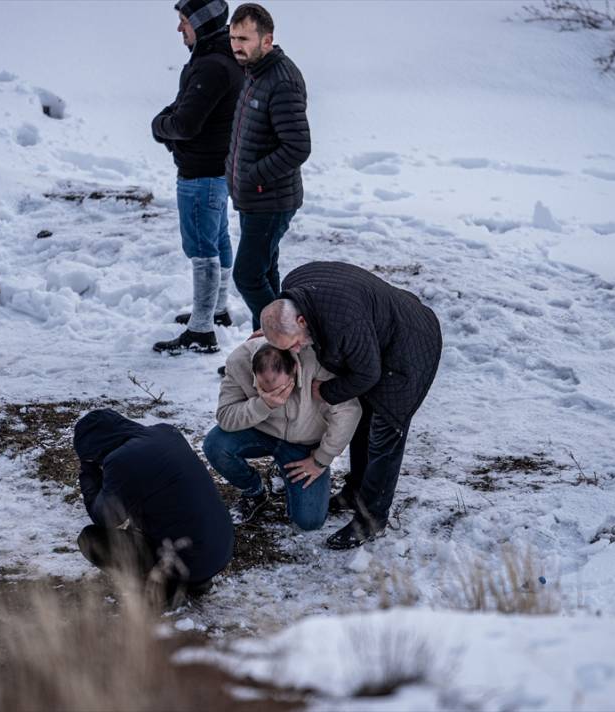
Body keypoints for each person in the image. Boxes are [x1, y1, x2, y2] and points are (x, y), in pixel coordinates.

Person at [260, 262, 443, 549]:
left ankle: (372, 519)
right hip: (377, 334)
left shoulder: (344, 324)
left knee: (384, 431)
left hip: (410, 346)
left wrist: (328, 391)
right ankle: (355, 489)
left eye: (294, 344)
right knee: (362, 420)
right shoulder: (293, 292)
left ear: (301, 322)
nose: (295, 351)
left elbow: (367, 375)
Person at [152, 0, 244, 354]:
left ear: (201, 24)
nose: (180, 29)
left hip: (201, 173)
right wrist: (171, 118)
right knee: (218, 240)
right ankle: (217, 311)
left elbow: (185, 123)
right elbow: (187, 109)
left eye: (184, 21)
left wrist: (159, 126)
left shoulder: (211, 67)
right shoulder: (223, 60)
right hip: (217, 171)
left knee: (202, 249)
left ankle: (202, 330)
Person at [73, 409, 233, 603]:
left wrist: (89, 470)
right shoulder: (166, 432)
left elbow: (105, 518)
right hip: (220, 549)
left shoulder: (120, 461)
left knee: (91, 540)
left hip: (189, 561)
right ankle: (196, 581)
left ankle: (164, 588)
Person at [203, 338, 361, 530]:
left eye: (282, 388)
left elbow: (348, 411)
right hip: (259, 431)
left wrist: (321, 459)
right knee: (215, 445)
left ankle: (283, 469)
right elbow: (225, 416)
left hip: (304, 443)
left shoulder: (316, 360)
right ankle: (254, 490)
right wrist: (264, 404)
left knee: (309, 522)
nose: (277, 395)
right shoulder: (239, 361)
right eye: (265, 389)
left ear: (294, 368)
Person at [225, 3, 310, 330]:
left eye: (244, 38)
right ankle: (270, 351)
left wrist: (253, 176)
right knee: (265, 274)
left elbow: (298, 146)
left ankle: (282, 345)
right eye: (233, 37)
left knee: (247, 275)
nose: (236, 46)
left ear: (267, 39)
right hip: (254, 196)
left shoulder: (281, 80)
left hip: (270, 199)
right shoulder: (256, 73)